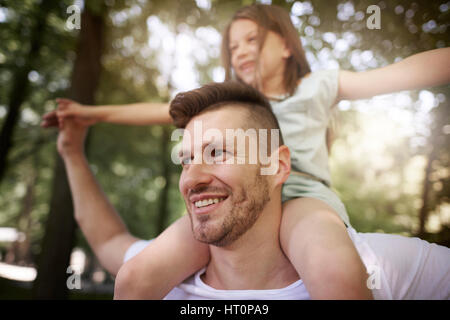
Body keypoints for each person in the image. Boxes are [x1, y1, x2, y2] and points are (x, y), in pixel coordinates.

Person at [41, 4, 450, 299]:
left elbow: (402, 73)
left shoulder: (319, 85)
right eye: (232, 46)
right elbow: (158, 110)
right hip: (235, 200)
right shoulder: (227, 108)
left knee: (335, 274)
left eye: (252, 39)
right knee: (134, 276)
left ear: (287, 46)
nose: (239, 51)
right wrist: (89, 112)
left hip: (304, 198)